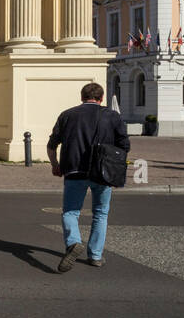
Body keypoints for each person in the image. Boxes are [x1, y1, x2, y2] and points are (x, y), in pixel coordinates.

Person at [47, 82, 129, 271]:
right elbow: (124, 145)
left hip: (74, 169)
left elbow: (52, 145)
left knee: (70, 212)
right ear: (101, 99)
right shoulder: (112, 116)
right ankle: (96, 256)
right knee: (100, 213)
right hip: (103, 171)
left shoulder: (67, 115)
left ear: (82, 97)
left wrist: (55, 165)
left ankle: (74, 242)